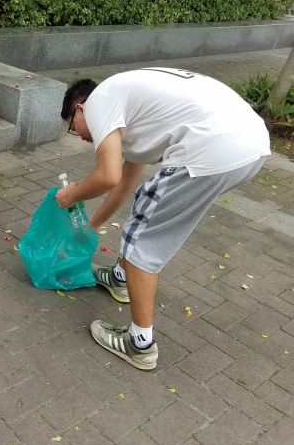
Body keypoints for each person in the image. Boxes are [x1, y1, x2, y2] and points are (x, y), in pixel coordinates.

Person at [57, 69, 270, 370]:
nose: (80, 135)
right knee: (148, 213)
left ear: (79, 108)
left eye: (72, 127)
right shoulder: (132, 111)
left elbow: (107, 175)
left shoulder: (100, 100)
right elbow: (123, 183)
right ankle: (120, 279)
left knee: (143, 237)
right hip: (250, 147)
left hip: (214, 147)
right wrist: (91, 228)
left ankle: (139, 344)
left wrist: (74, 194)